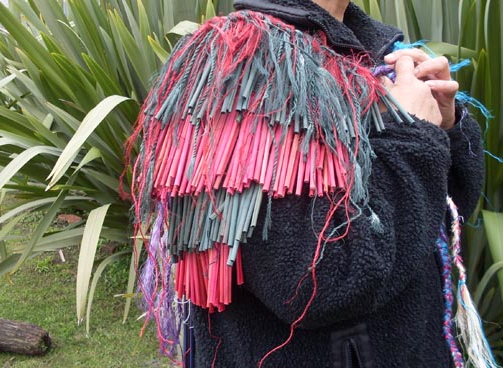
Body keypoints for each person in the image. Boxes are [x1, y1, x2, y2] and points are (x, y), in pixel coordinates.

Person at [129, 0, 485, 367]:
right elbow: (318, 284)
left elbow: (439, 219)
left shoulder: (372, 49)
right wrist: (411, 134)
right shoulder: (241, 68)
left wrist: (447, 127)